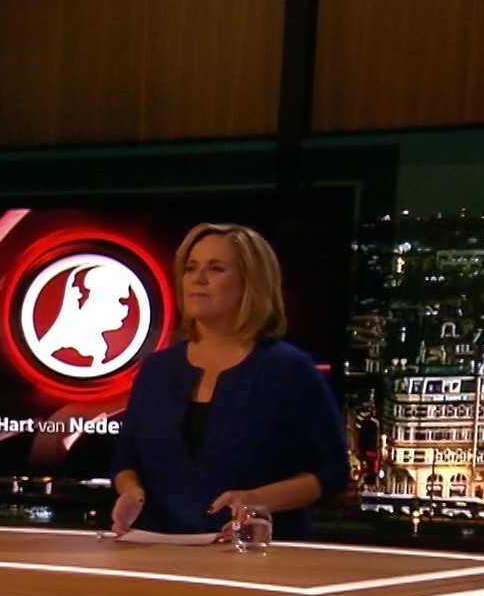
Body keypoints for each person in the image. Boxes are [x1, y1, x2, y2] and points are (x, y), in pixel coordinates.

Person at [109, 222, 349, 538]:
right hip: (162, 549)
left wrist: (257, 499)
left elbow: (332, 472)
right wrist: (130, 492)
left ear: (250, 283)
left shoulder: (290, 370)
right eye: (191, 268)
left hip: (256, 550)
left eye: (216, 268)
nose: (198, 278)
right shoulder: (157, 370)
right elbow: (126, 461)